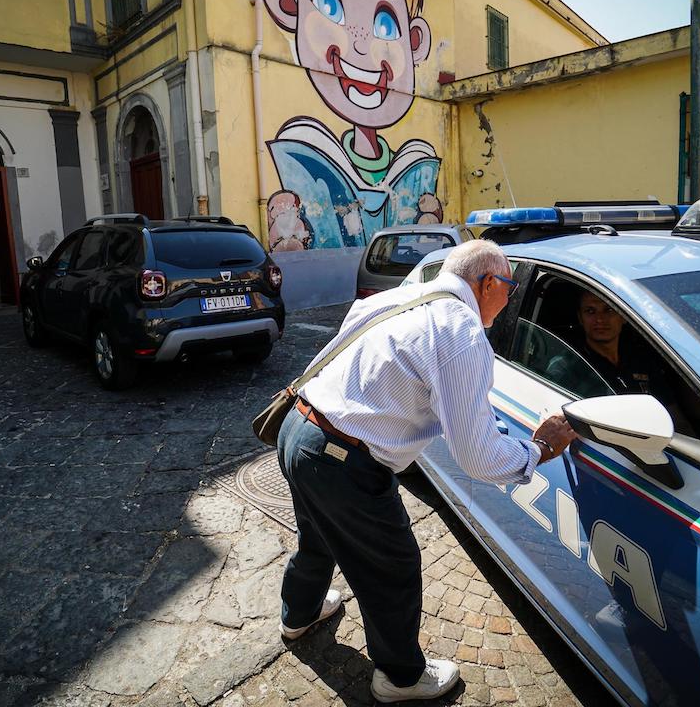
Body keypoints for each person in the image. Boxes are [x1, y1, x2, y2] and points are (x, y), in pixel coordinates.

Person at [276, 239, 578, 703]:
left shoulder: (399, 295)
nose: (510, 297)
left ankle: (299, 615)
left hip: (298, 427)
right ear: (489, 282)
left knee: (317, 533)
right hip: (342, 459)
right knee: (393, 566)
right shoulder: (462, 332)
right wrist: (537, 449)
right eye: (509, 287)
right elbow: (478, 458)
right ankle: (400, 678)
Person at [547, 291, 675, 402]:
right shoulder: (567, 367)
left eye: (609, 309)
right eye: (590, 311)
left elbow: (672, 412)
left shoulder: (643, 360)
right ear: (580, 318)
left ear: (624, 317)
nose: (600, 319)